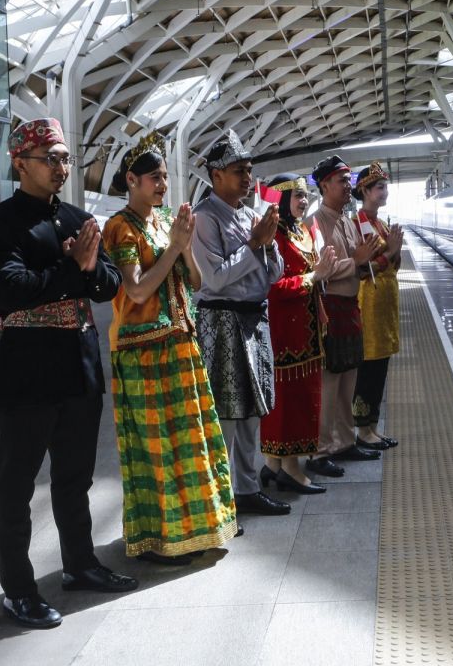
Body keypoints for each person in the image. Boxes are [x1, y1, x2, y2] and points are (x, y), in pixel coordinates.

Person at [0, 118, 138, 629]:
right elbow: (13, 290)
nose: (61, 167)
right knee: (16, 485)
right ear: (20, 163)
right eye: (51, 158)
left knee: (74, 478)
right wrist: (73, 270)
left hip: (79, 367)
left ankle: (80, 564)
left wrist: (88, 268)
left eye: (66, 158)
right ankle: (19, 590)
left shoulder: (77, 219)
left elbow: (108, 285)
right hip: (27, 371)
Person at [103, 134, 239, 565]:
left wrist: (186, 247)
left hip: (180, 342)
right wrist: (177, 246)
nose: (163, 184)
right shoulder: (120, 227)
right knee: (157, 445)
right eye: (155, 178)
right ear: (132, 180)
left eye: (165, 176)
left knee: (191, 440)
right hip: (143, 351)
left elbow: (195, 281)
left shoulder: (165, 221)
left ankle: (197, 528)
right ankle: (159, 539)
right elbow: (137, 290)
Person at [191, 131, 290, 518]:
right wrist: (254, 245)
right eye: (238, 171)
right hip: (223, 322)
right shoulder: (205, 217)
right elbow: (214, 279)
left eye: (249, 170)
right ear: (216, 175)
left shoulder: (250, 216)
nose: (247, 178)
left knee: (251, 411)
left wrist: (268, 242)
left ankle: (247, 488)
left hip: (253, 320)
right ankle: (220, 499)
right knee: (227, 414)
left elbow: (275, 274)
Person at [305, 156, 384, 478]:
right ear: (325, 185)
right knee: (329, 383)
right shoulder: (315, 222)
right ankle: (321, 450)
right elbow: (320, 270)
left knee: (348, 379)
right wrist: (357, 260)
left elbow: (355, 263)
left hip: (350, 307)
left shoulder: (346, 221)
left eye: (349, 180)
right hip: (330, 308)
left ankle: (345, 441)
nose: (348, 186)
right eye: (342, 180)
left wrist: (368, 262)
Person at [260, 173, 338, 493]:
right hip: (285, 333)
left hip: (306, 329)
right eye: (297, 195)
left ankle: (272, 465)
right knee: (289, 400)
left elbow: (312, 270)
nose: (304, 201)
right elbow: (272, 287)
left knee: (299, 397)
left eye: (305, 195)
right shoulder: (272, 236)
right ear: (280, 198)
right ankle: (291, 469)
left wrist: (321, 273)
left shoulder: (301, 230)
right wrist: (313, 277)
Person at [351, 162, 404, 450]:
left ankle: (372, 426)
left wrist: (396, 253)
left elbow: (392, 264)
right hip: (369, 305)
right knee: (368, 368)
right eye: (379, 187)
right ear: (365, 191)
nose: (385, 192)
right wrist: (391, 252)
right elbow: (363, 269)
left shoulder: (380, 224)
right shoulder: (358, 224)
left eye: (385, 187)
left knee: (380, 367)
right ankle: (362, 428)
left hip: (384, 305)